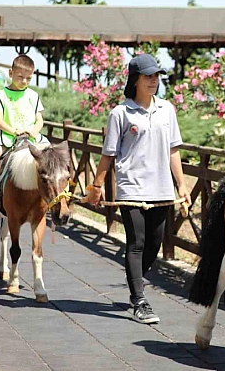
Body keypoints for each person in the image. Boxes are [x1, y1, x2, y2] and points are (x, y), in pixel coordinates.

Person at [87, 53, 191, 324]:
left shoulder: (167, 109)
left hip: (161, 189)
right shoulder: (119, 114)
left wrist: (182, 186)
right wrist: (97, 185)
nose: (154, 81)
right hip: (131, 188)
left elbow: (173, 150)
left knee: (154, 246)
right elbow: (108, 154)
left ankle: (134, 280)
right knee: (137, 242)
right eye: (148, 76)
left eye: (156, 76)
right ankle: (140, 300)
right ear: (135, 80)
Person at [0, 54, 48, 202]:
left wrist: (34, 130)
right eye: (20, 77)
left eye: (28, 79)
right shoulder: (1, 95)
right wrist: (13, 130)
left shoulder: (33, 96)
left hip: (31, 136)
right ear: (11, 73)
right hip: (9, 136)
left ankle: (58, 191)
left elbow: (40, 119)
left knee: (51, 154)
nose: (24, 81)